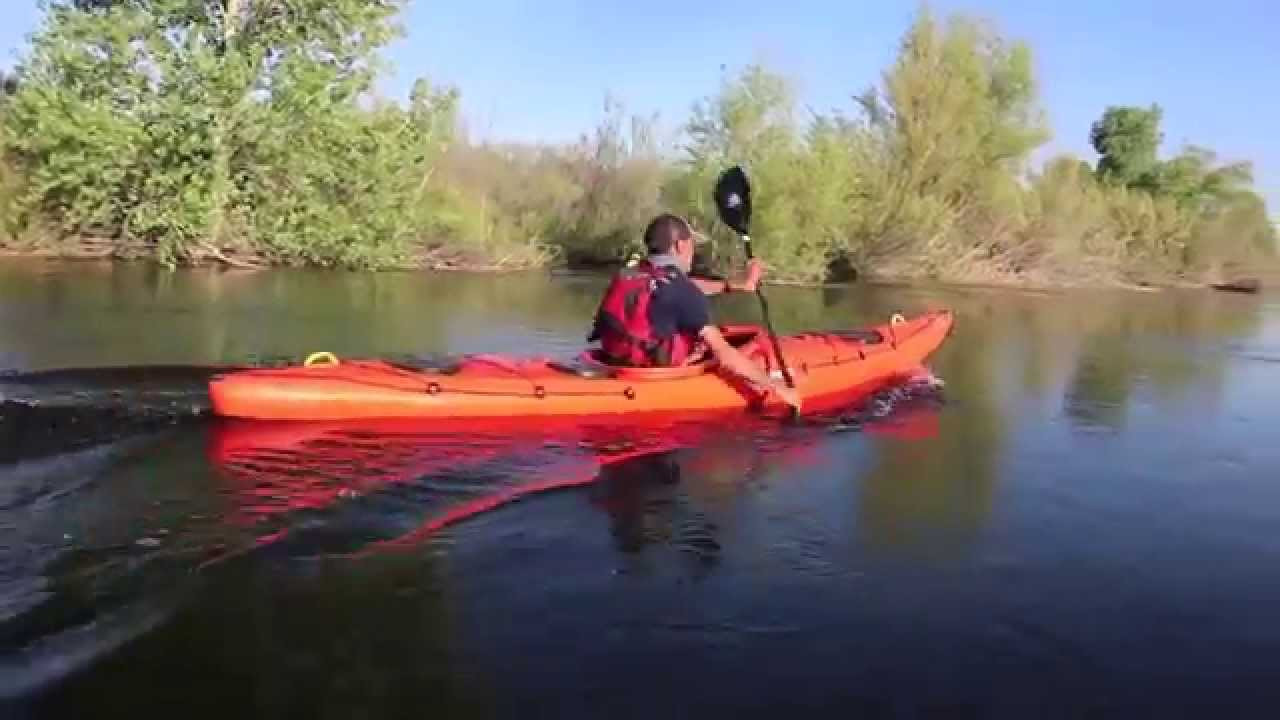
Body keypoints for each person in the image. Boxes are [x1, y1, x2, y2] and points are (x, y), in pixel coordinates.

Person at [588, 213, 802, 411]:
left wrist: (734, 286)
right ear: (680, 245)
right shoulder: (682, 291)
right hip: (656, 372)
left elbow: (679, 287)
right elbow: (726, 356)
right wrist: (777, 387)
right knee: (707, 342)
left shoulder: (627, 275)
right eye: (692, 245)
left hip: (614, 361)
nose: (693, 252)